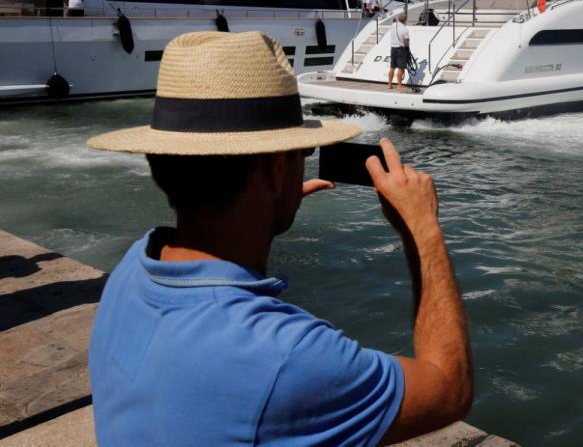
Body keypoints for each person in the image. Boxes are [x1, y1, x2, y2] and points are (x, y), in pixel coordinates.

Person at [86, 31, 472, 446]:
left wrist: (263, 211)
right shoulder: (285, 356)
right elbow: (448, 388)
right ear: (273, 171)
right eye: (301, 155)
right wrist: (422, 229)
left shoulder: (132, 270)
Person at [388, 13, 410, 91]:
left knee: (392, 67)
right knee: (401, 68)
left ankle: (389, 84)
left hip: (393, 48)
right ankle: (399, 85)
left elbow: (394, 20)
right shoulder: (405, 29)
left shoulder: (393, 25)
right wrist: (408, 51)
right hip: (400, 49)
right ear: (405, 20)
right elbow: (406, 42)